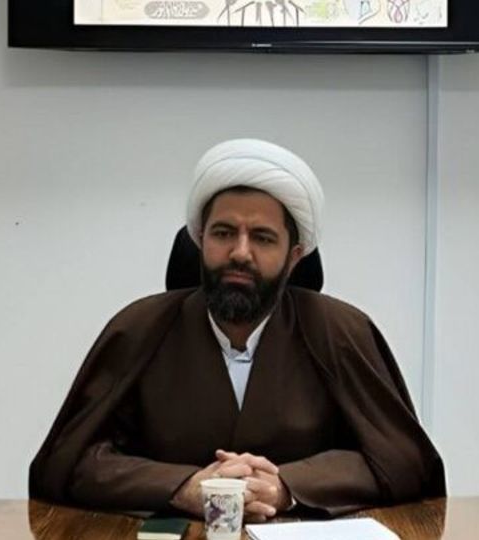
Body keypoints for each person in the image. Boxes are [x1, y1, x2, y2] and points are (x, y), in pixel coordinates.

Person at [29, 139, 445, 520]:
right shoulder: (138, 327)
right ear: (200, 240)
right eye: (224, 233)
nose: (240, 253)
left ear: (294, 257)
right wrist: (183, 487)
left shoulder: (341, 331)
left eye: (262, 238)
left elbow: (405, 461)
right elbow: (68, 461)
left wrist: (287, 486)